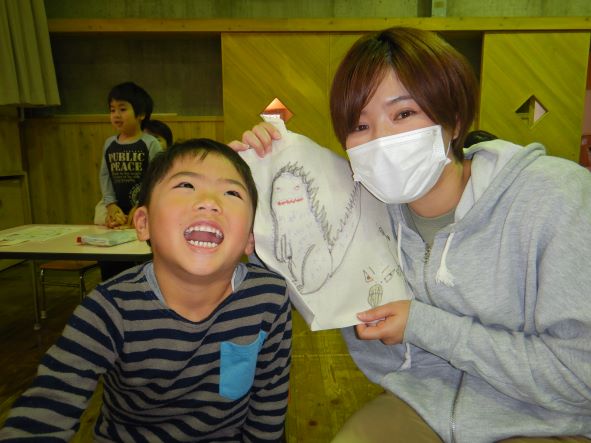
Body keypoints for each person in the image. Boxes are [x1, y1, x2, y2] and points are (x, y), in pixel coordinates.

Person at [229, 27, 591, 442]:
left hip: (547, 420)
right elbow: (308, 283)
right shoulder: (364, 209)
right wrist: (261, 196)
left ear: (453, 121)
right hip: (421, 404)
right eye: (360, 124)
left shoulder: (555, 196)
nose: (381, 139)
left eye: (403, 114)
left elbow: (580, 376)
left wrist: (424, 325)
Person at [0, 138, 292, 442]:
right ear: (143, 223)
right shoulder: (109, 309)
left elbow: (268, 406)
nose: (209, 201)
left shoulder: (269, 298)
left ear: (250, 237)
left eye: (232, 192)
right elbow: (46, 407)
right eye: (186, 185)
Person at [97, 81, 162, 281]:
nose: (116, 115)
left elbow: (156, 178)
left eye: (122, 109)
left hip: (142, 213)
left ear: (141, 114)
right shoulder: (109, 144)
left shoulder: (150, 144)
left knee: (140, 262)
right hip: (117, 215)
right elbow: (105, 176)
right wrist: (111, 205)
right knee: (111, 264)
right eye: (112, 110)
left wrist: (142, 204)